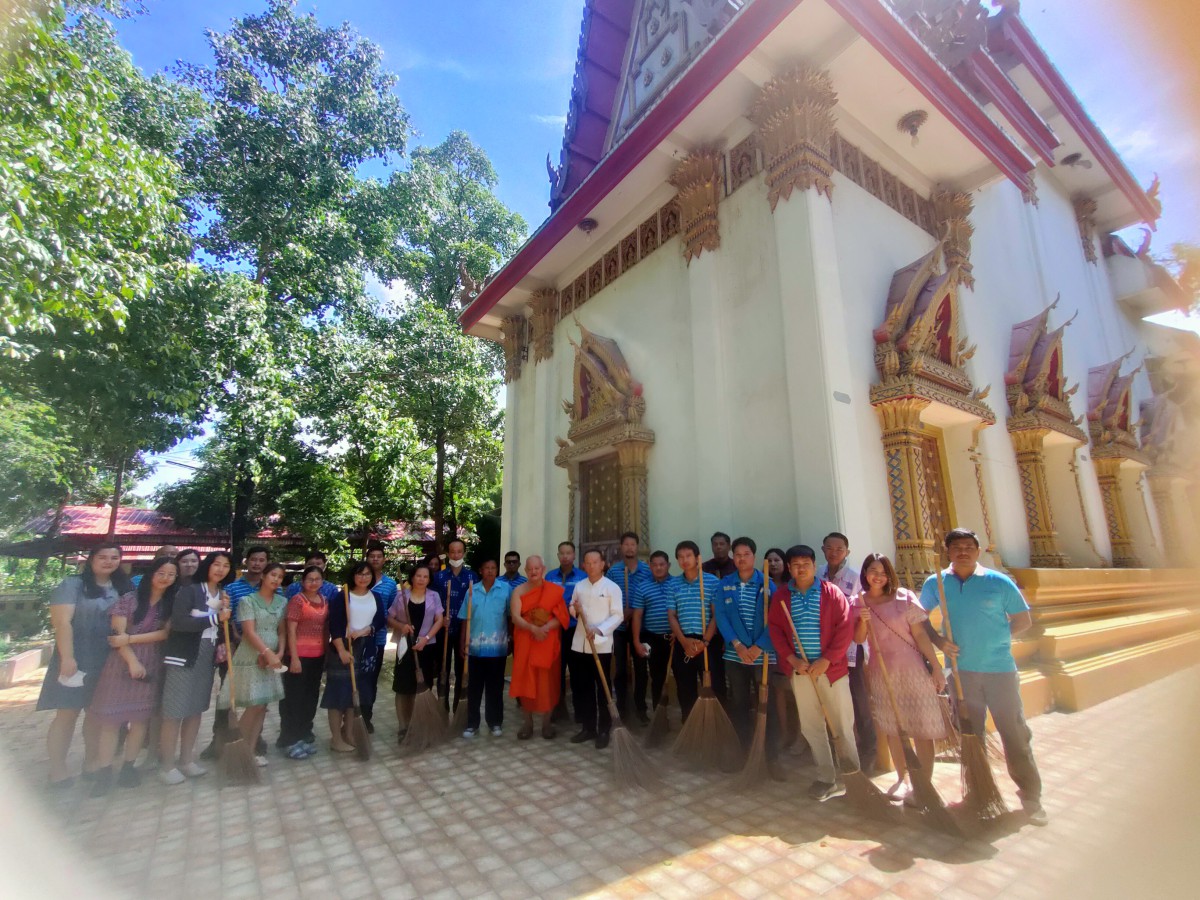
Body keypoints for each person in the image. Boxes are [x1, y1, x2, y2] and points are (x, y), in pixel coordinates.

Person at [919, 528, 1047, 826]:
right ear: (947, 552)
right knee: (970, 736)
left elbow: (1023, 619)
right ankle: (978, 792)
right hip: (962, 672)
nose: (962, 552)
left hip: (999, 670)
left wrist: (998, 639)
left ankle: (1031, 796)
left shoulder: (998, 582)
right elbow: (920, 616)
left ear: (978, 551)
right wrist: (938, 641)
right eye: (956, 547)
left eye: (968, 547)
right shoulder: (937, 583)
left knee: (1013, 732)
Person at [852, 553, 948, 805]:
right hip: (882, 672)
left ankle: (923, 783)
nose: (878, 576)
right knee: (894, 729)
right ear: (864, 573)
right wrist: (862, 620)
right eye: (873, 570)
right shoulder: (858, 601)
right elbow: (859, 639)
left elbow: (920, 634)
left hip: (912, 668)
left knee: (921, 728)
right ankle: (903, 779)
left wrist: (936, 667)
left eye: (883, 572)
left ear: (890, 574)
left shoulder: (905, 597)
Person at [768, 544, 856, 803]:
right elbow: (776, 630)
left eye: (806, 563)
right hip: (801, 672)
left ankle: (853, 776)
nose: (801, 568)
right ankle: (826, 777)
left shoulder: (832, 593)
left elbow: (845, 628)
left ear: (814, 564)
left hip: (832, 672)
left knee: (842, 726)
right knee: (812, 726)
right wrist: (792, 659)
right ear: (789, 568)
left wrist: (828, 660)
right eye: (795, 564)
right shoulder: (782, 597)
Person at [37, 542, 129, 788]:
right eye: (103, 557)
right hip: (75, 658)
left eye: (114, 557)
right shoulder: (72, 585)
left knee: (96, 716)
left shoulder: (121, 587)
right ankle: (57, 770)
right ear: (91, 559)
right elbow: (62, 623)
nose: (109, 561)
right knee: (67, 715)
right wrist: (68, 657)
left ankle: (91, 762)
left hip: (107, 660)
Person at [88, 556, 177, 795]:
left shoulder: (169, 605)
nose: (165, 578)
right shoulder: (128, 599)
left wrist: (130, 639)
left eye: (171, 575)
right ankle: (105, 771)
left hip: (151, 663)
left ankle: (129, 766)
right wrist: (132, 659)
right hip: (120, 663)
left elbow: (164, 634)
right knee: (111, 722)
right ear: (151, 574)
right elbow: (117, 636)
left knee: (139, 721)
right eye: (161, 573)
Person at [714, 537, 785, 781]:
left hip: (762, 657)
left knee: (768, 706)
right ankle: (743, 753)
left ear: (754, 557)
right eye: (738, 554)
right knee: (739, 705)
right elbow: (721, 617)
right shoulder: (725, 585)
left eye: (746, 554)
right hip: (735, 656)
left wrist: (758, 647)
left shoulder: (767, 584)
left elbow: (777, 620)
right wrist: (737, 644)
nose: (741, 558)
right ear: (733, 558)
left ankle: (772, 757)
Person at [159, 551, 233, 786]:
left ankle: (186, 759)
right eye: (216, 564)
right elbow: (179, 623)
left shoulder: (222, 594)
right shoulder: (189, 591)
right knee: (174, 711)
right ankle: (166, 765)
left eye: (226, 565)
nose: (221, 569)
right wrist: (215, 619)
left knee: (195, 709)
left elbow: (221, 626)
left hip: (206, 657)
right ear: (207, 566)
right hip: (183, 657)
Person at [201, 545, 269, 760]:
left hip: (262, 651)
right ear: (247, 562)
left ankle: (254, 739)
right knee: (227, 697)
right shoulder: (231, 588)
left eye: (262, 560)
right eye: (254, 559)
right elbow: (226, 617)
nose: (257, 563)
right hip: (236, 648)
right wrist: (236, 638)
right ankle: (218, 741)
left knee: (259, 698)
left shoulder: (273, 587)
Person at [819, 532, 875, 772]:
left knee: (859, 699)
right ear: (823, 550)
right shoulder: (817, 575)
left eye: (839, 549)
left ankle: (868, 751)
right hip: (823, 650)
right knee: (830, 702)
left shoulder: (856, 580)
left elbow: (862, 615)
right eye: (829, 548)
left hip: (851, 648)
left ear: (847, 552)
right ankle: (838, 750)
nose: (834, 553)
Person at [225, 562, 288, 767]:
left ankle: (250, 751)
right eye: (273, 575)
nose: (276, 580)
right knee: (253, 705)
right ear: (263, 576)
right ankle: (236, 751)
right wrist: (267, 653)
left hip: (272, 658)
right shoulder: (247, 600)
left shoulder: (282, 601)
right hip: (252, 655)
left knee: (263, 706)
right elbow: (249, 632)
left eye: (280, 577)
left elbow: (281, 631)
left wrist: (279, 652)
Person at [322, 562, 385, 752]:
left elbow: (381, 619)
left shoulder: (376, 596)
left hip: (366, 650)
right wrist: (341, 650)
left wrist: (368, 629)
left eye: (367, 574)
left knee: (354, 695)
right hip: (344, 649)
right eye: (359, 574)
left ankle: (348, 734)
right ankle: (335, 739)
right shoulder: (343, 596)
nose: (363, 577)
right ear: (353, 576)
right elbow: (335, 625)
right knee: (337, 697)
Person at [568, 549, 623, 749]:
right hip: (579, 645)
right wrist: (575, 610)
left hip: (601, 646)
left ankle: (603, 729)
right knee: (584, 689)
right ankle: (588, 727)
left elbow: (618, 616)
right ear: (583, 565)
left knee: (603, 689)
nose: (591, 566)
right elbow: (571, 606)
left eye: (595, 562)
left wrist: (599, 630)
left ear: (602, 564)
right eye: (587, 562)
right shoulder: (579, 586)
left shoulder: (612, 588)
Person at [509, 556, 568, 740]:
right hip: (526, 640)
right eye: (530, 569)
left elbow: (562, 618)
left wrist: (544, 628)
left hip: (546, 641)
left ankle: (546, 724)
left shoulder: (554, 591)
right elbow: (515, 618)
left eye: (537, 568)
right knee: (525, 680)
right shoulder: (518, 591)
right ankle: (528, 723)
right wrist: (532, 628)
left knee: (547, 682)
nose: (534, 572)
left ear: (543, 569)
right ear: (526, 571)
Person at [388, 563, 444, 740]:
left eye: (425, 576)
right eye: (418, 576)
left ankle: (418, 723)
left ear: (429, 579)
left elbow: (439, 620)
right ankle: (403, 726)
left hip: (425, 647)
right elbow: (389, 617)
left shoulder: (434, 596)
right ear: (412, 577)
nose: (421, 579)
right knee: (403, 688)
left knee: (423, 686)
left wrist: (426, 638)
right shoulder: (401, 596)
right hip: (405, 647)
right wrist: (401, 626)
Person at [667, 541, 721, 722]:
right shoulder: (673, 584)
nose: (684, 560)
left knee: (713, 685)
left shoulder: (712, 582)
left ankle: (714, 726)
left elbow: (716, 615)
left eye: (688, 556)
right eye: (680, 557)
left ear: (698, 558)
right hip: (683, 641)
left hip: (707, 642)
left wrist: (704, 641)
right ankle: (689, 725)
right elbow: (671, 615)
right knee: (684, 687)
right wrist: (683, 641)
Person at [280, 565, 330, 759]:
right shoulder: (297, 600)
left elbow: (325, 629)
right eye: (310, 579)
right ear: (303, 582)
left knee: (310, 697)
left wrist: (325, 653)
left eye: (317, 579)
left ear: (322, 581)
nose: (313, 582)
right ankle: (289, 739)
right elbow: (290, 630)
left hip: (317, 656)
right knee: (293, 699)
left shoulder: (324, 600)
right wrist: (293, 658)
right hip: (298, 656)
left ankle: (303, 734)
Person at [458, 559, 512, 738]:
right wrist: (462, 643)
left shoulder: (505, 589)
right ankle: (472, 724)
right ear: (480, 571)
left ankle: (495, 722)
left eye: (493, 568)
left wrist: (511, 640)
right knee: (474, 688)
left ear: (497, 570)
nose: (490, 571)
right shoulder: (472, 590)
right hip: (474, 648)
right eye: (486, 568)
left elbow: (511, 617)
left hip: (497, 648)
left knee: (495, 688)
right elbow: (465, 618)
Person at [607, 531, 652, 724]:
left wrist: (633, 611)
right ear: (621, 547)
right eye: (626, 544)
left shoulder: (647, 570)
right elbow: (607, 596)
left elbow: (650, 595)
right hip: (619, 628)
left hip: (640, 627)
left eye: (633, 544)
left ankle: (641, 707)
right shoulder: (613, 571)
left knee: (641, 668)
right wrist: (620, 612)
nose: (629, 548)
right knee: (621, 670)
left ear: (637, 547)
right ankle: (622, 707)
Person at [431, 538, 479, 712]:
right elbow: (433, 603)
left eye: (459, 551)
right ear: (448, 553)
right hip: (443, 629)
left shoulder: (472, 577)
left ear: (464, 553)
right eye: (452, 551)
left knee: (462, 671)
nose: (456, 555)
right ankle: (442, 709)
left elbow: (475, 604)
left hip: (464, 630)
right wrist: (440, 617)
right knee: (443, 669)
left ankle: (459, 708)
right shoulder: (439, 577)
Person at [544, 541, 585, 722]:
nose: (565, 556)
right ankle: (557, 709)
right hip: (554, 630)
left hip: (575, 630)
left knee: (577, 672)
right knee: (556, 672)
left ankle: (580, 711)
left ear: (574, 555)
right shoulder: (550, 576)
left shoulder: (582, 577)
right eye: (562, 553)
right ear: (558, 555)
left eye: (569, 553)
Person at [631, 551, 674, 715]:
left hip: (675, 639)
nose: (658, 568)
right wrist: (636, 641)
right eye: (654, 564)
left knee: (683, 678)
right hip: (652, 638)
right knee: (657, 678)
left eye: (662, 564)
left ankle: (687, 716)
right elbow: (637, 615)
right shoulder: (643, 586)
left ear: (668, 565)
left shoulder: (677, 584)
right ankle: (659, 716)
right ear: (649, 566)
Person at [764, 546, 798, 750]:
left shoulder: (792, 585)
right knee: (779, 691)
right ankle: (784, 733)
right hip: (772, 643)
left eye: (777, 560)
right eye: (770, 560)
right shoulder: (763, 585)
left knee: (798, 692)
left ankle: (800, 735)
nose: (774, 563)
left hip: (793, 643)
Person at [364, 542, 398, 733]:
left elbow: (392, 611)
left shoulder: (390, 584)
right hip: (356, 640)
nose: (375, 559)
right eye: (372, 556)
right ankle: (352, 717)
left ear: (384, 560)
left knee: (371, 681)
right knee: (356, 679)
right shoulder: (358, 581)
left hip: (377, 640)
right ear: (367, 559)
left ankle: (366, 717)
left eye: (379, 556)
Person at [700, 531, 733, 700]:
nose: (718, 547)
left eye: (722, 544)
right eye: (715, 544)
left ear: (728, 546)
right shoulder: (704, 568)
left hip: (734, 627)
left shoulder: (736, 567)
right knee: (715, 669)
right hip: (711, 628)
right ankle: (719, 704)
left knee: (734, 671)